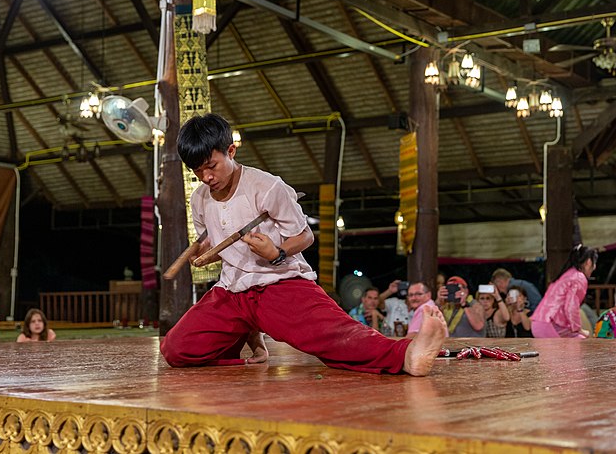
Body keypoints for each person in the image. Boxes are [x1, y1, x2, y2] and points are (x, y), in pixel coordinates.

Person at [160, 113, 446, 376]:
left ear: (231, 151)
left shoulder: (267, 186)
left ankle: (407, 355)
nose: (206, 177)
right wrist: (207, 253)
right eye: (198, 171)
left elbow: (305, 236)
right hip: (232, 291)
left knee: (332, 334)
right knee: (175, 348)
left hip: (277, 282)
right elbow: (219, 244)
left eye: (211, 166)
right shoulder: (199, 199)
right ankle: (241, 350)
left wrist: (277, 252)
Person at [531, 244, 598, 338]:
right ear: (589, 262)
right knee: (580, 342)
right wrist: (578, 329)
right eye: (594, 263)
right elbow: (571, 307)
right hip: (550, 324)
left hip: (540, 322)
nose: (595, 267)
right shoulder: (578, 277)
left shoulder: (568, 274)